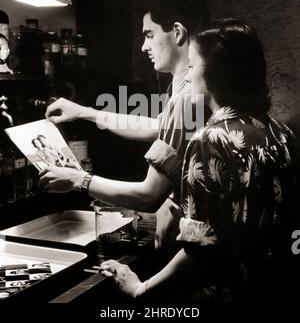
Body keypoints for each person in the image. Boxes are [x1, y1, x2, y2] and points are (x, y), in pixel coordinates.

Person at [97, 20, 297, 304]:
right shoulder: (278, 130)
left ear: (215, 73)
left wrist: (139, 289)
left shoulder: (209, 140)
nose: (187, 77)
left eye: (191, 66)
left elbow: (200, 251)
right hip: (275, 287)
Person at [42, 0, 210, 262]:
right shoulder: (182, 90)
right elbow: (159, 128)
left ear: (177, 32)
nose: (143, 46)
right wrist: (84, 112)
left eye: (148, 34)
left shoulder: (188, 97)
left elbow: (148, 195)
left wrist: (77, 180)